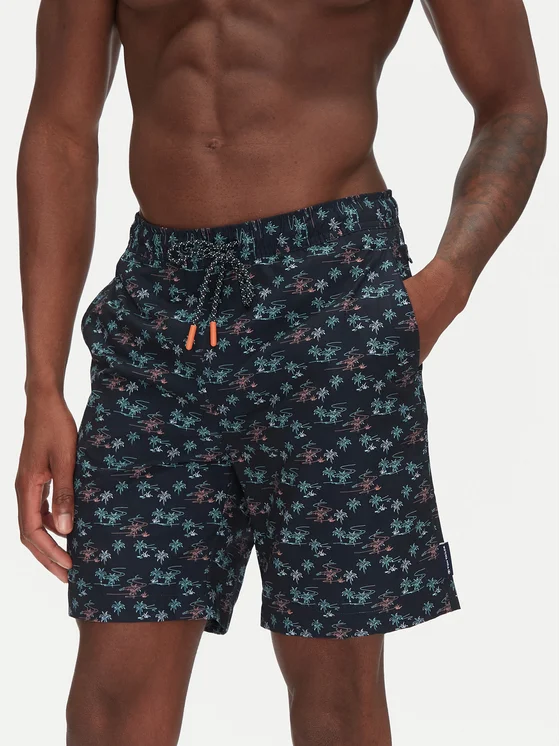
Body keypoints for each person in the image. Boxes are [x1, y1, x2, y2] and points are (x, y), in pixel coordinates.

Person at [15, 1, 547, 744]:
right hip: (157, 317)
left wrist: (446, 286)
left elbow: (513, 101)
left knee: (335, 695)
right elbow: (61, 130)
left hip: (331, 292)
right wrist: (43, 385)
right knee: (112, 698)